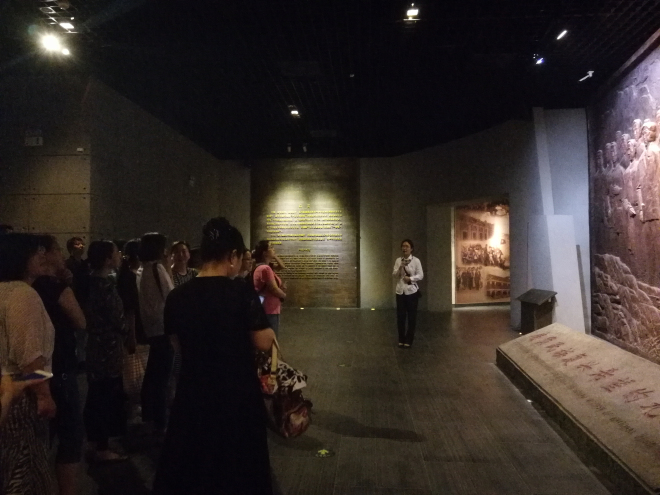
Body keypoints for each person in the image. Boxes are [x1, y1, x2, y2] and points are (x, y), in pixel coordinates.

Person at [152, 217, 276, 495]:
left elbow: (176, 345)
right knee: (238, 465)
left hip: (193, 392)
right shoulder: (239, 291)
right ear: (232, 256)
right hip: (236, 393)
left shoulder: (177, 296)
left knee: (193, 464)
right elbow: (262, 341)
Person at [0, 233, 57, 494]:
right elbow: (30, 356)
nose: (42, 257)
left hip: (6, 392)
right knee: (25, 474)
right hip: (21, 394)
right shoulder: (23, 295)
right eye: (37, 253)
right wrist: (44, 395)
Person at [33, 235, 86, 495]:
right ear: (45, 253)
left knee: (40, 436)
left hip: (33, 370)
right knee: (70, 436)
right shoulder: (55, 288)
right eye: (57, 249)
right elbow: (80, 321)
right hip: (60, 367)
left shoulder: (26, 285)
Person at [84, 240, 128, 462]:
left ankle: (94, 441)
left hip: (93, 346)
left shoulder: (87, 283)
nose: (119, 256)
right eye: (115, 253)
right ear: (108, 259)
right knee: (105, 396)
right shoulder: (106, 286)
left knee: (95, 395)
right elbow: (118, 319)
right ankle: (102, 447)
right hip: (108, 349)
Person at [138, 232, 174, 435]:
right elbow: (171, 295)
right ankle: (161, 422)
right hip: (163, 328)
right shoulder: (157, 268)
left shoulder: (144, 270)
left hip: (151, 328)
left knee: (153, 374)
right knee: (161, 377)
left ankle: (149, 416)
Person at [392, 239, 424, 348]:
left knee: (411, 317)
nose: (404, 248)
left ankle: (409, 340)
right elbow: (394, 275)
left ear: (411, 249)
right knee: (400, 316)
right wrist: (401, 266)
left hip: (411, 292)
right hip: (400, 291)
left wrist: (410, 278)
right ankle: (401, 339)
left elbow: (420, 275)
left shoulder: (416, 261)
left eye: (407, 246)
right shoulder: (398, 260)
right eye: (403, 246)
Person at [252, 240, 287, 336]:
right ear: (265, 253)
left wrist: (274, 255)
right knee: (271, 337)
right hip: (269, 309)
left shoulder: (263, 267)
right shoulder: (266, 268)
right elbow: (274, 289)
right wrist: (284, 295)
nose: (273, 249)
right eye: (271, 247)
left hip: (267, 308)